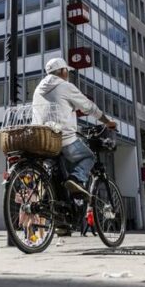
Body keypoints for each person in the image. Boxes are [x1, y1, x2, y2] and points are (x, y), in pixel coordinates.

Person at [32, 58, 116, 197]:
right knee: (89, 157)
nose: (68, 73)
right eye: (67, 70)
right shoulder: (65, 86)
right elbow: (89, 107)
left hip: (43, 140)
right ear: (63, 71)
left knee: (56, 171)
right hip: (62, 138)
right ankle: (76, 179)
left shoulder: (38, 89)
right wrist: (107, 122)